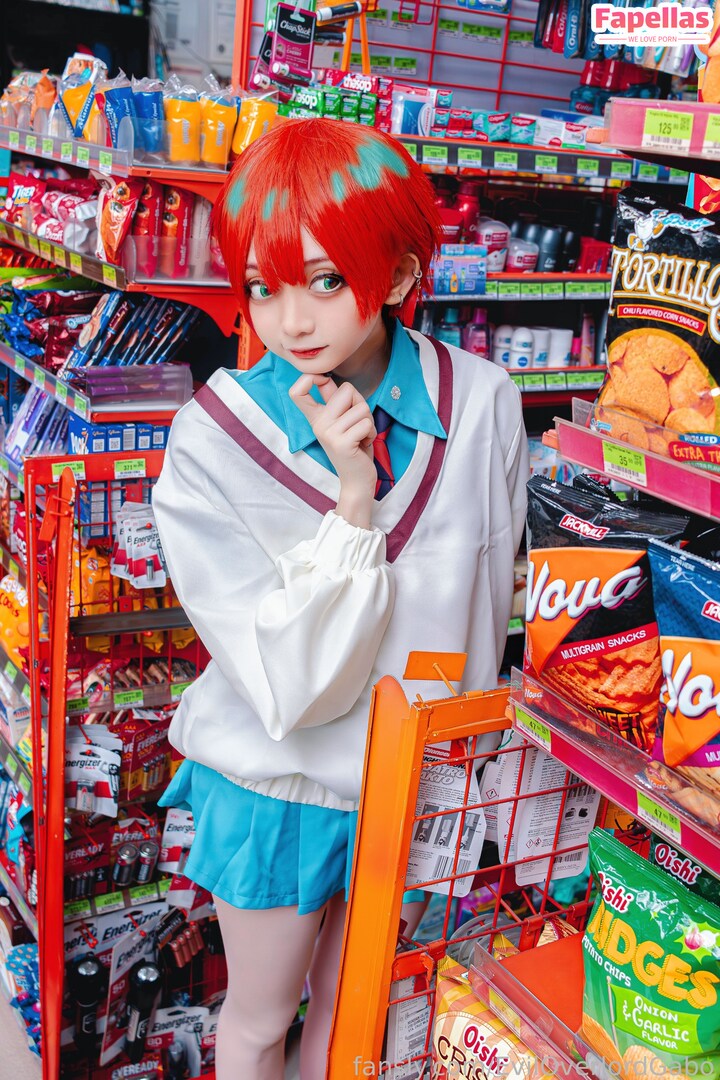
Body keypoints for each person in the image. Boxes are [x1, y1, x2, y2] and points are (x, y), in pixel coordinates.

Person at [152, 117, 528, 1080]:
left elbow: (489, 599)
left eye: (325, 281)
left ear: (399, 273)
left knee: (358, 1017)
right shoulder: (213, 441)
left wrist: (471, 765)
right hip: (278, 781)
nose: (293, 322)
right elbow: (289, 678)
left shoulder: (483, 398)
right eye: (263, 286)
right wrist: (354, 500)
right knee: (259, 1021)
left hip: (416, 782)